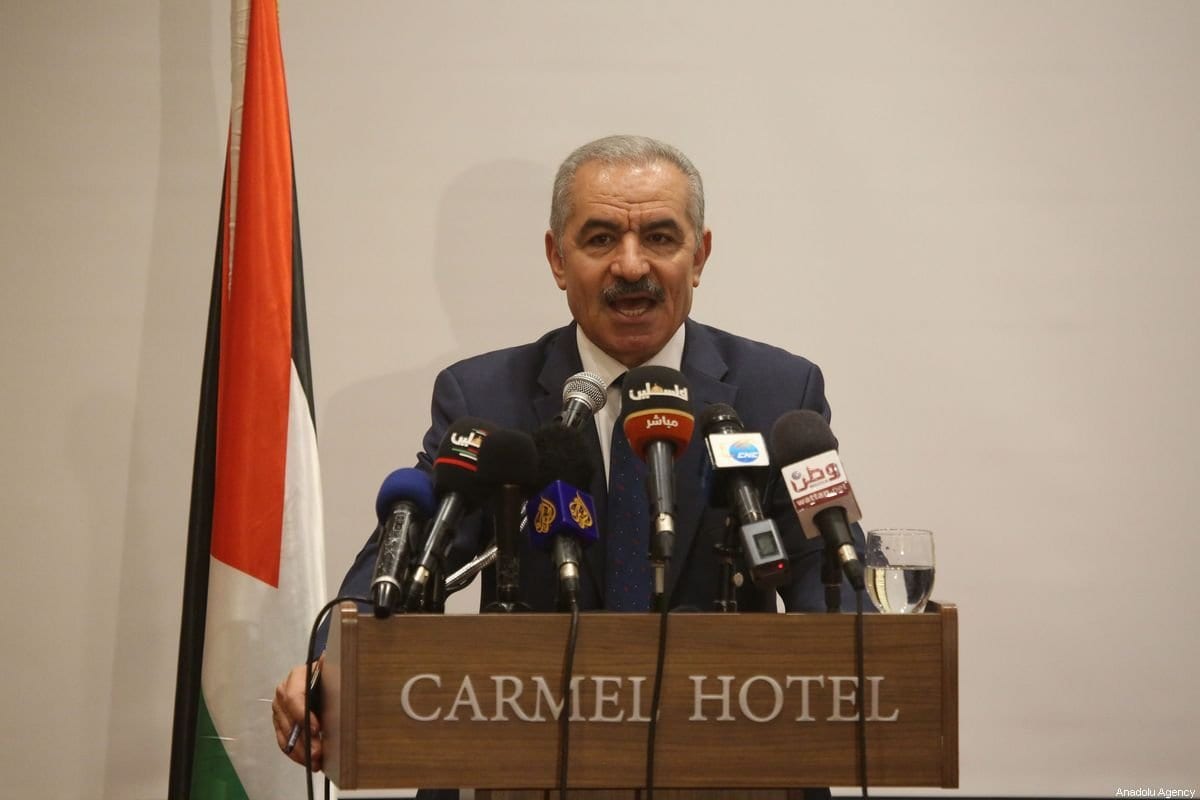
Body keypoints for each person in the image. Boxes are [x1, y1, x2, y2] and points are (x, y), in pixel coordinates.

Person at [272, 135, 858, 796]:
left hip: (731, 763)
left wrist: (880, 659)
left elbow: (829, 565)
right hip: (519, 764)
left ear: (700, 256)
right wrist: (333, 662)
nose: (630, 266)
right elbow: (412, 553)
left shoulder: (778, 390)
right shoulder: (485, 397)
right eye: (601, 239)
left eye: (660, 238)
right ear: (557, 258)